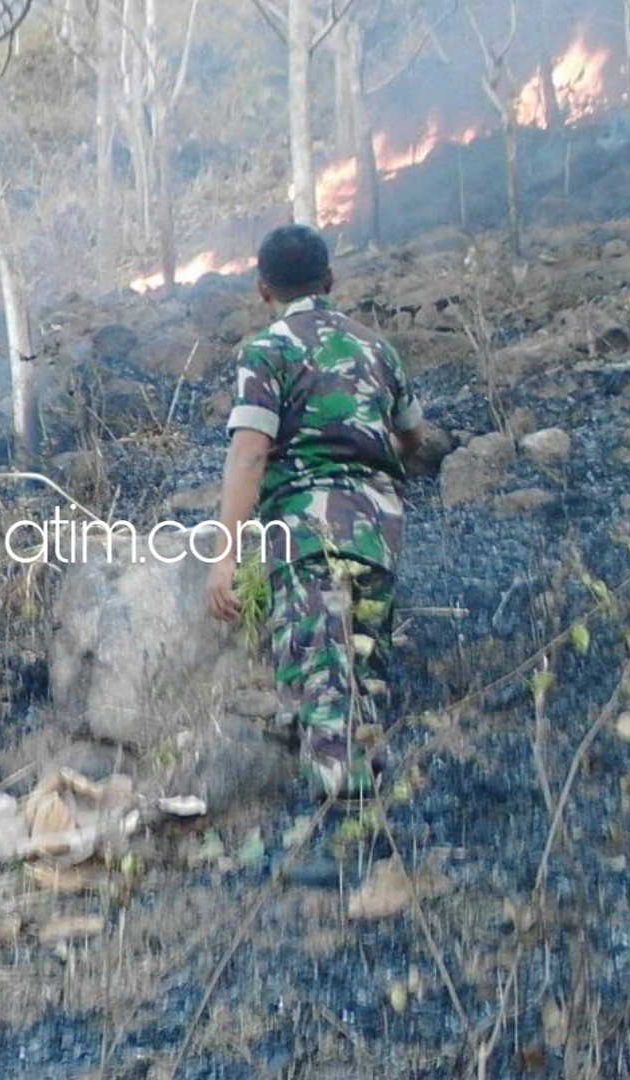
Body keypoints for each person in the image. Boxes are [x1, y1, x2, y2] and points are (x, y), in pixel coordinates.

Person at [205, 224, 426, 801]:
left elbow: (249, 450)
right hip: (378, 537)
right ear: (329, 281)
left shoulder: (267, 351)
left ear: (262, 289)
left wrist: (224, 557)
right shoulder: (378, 349)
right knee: (364, 681)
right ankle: (371, 825)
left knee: (323, 686)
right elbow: (412, 438)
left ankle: (338, 845)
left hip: (308, 540)